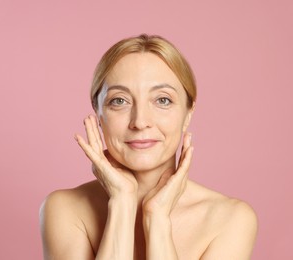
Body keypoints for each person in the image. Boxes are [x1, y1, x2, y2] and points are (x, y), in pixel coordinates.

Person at [39, 34, 258, 260]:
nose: (140, 121)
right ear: (98, 113)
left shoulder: (230, 220)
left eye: (162, 100)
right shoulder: (64, 210)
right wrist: (122, 203)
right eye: (119, 100)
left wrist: (157, 218)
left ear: (188, 113)